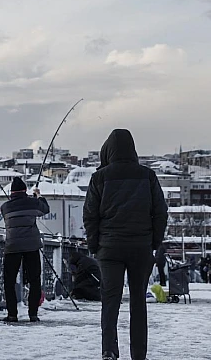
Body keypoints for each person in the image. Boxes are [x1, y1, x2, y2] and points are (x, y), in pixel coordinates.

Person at [83, 129, 168, 360]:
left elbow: (90, 215)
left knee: (110, 300)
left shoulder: (99, 177)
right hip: (140, 247)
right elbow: (160, 212)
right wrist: (154, 242)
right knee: (138, 301)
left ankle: (109, 350)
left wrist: (94, 246)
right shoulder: (147, 176)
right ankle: (138, 353)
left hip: (109, 248)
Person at [0, 176, 50, 323]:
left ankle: (12, 315)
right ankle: (33, 314)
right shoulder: (32, 203)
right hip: (31, 245)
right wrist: (38, 197)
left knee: (9, 281)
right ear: (25, 190)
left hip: (12, 246)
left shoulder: (5, 207)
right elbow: (45, 209)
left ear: (11, 192)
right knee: (34, 280)